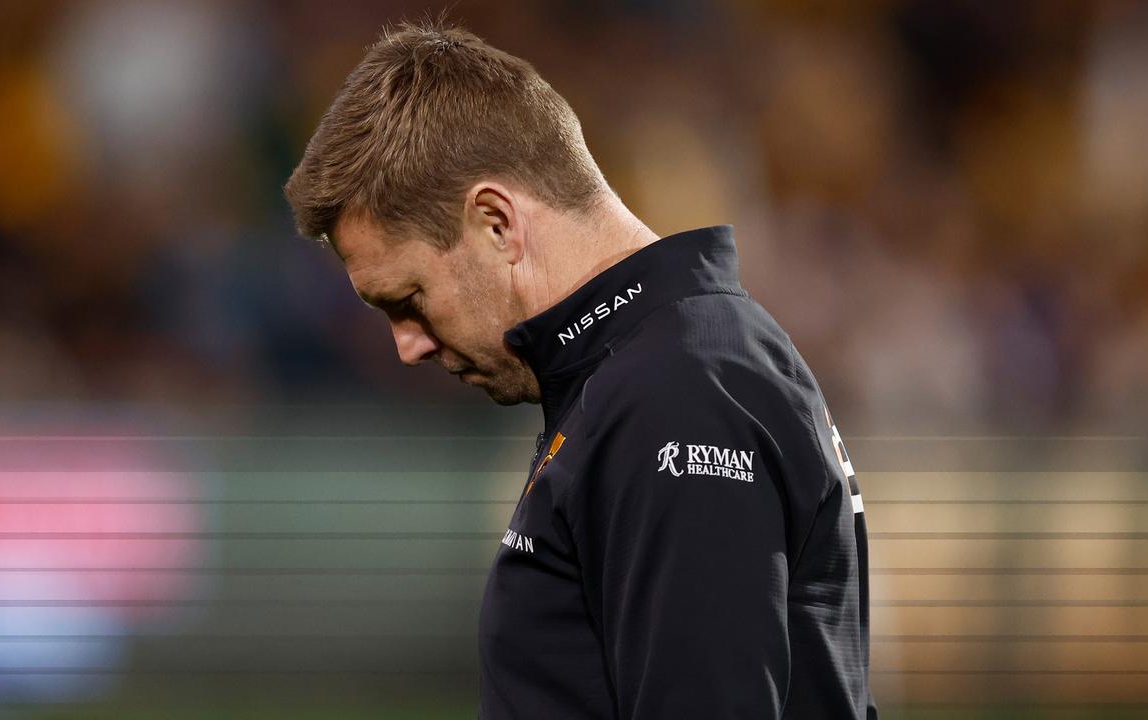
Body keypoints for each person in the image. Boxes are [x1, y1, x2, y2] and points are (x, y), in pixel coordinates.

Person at [284, 20, 876, 720]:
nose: (408, 346)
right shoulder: (650, 369)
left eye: (409, 300)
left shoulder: (673, 397)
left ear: (497, 222)